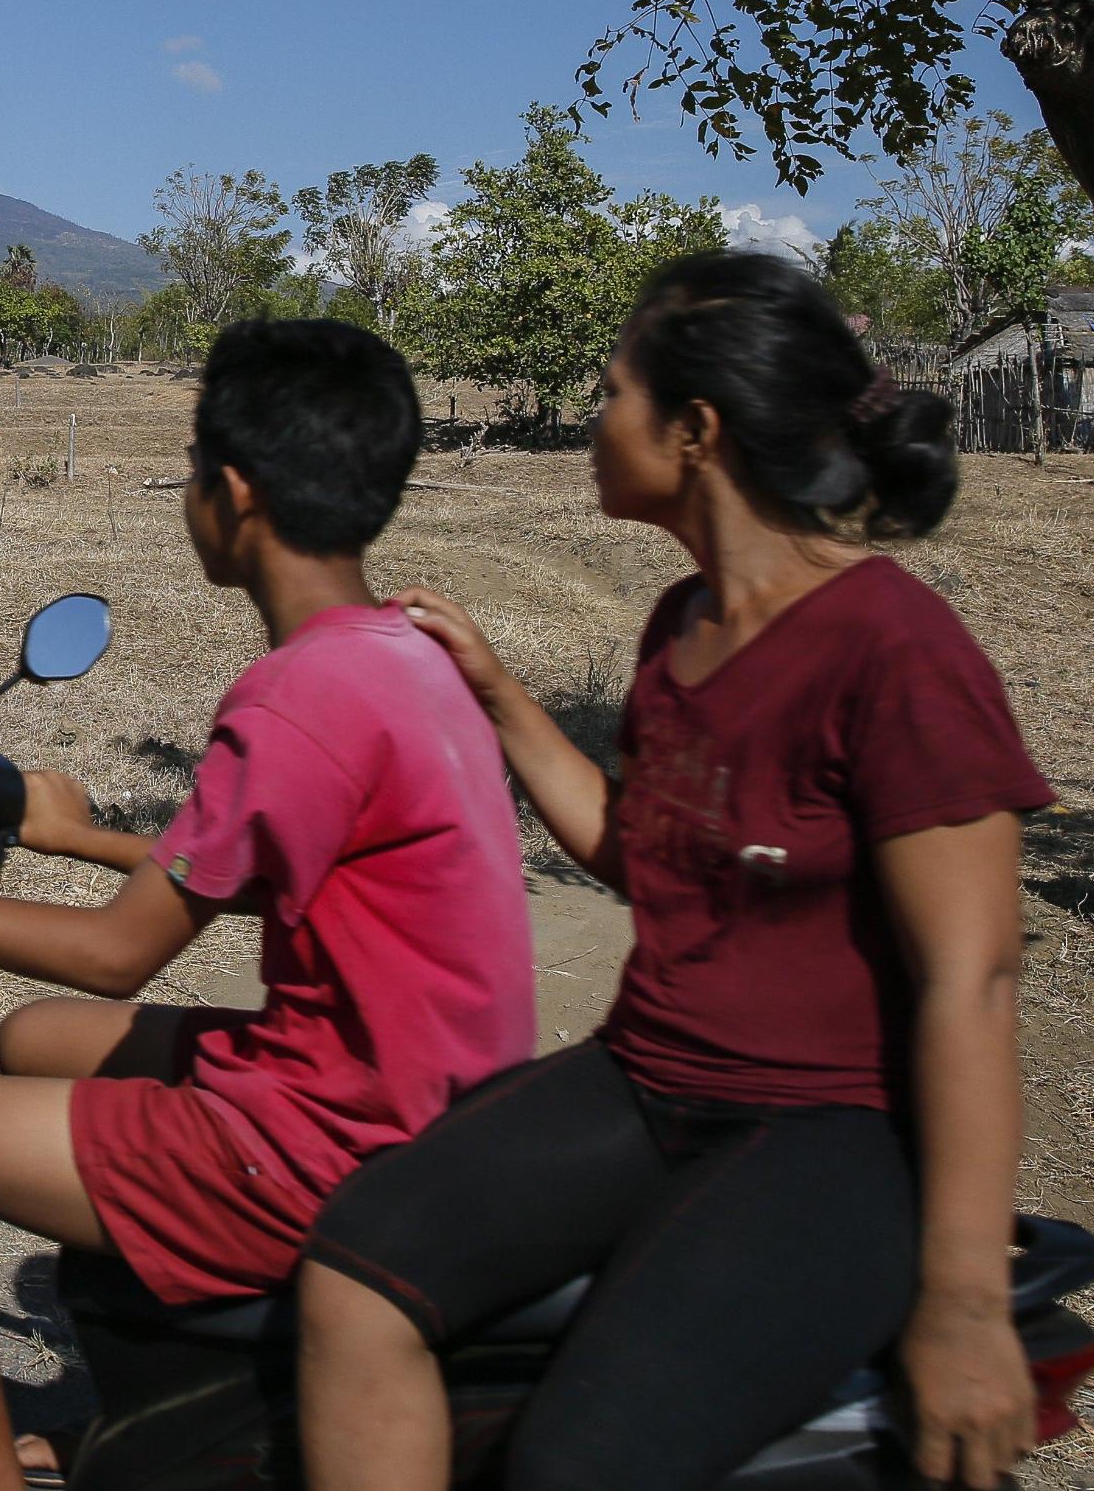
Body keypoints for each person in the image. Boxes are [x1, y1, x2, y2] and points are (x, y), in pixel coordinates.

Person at [0, 319, 537, 1491]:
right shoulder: (404, 656)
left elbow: (113, 956)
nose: (191, 496)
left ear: (235, 493)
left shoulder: (294, 695)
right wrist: (84, 833)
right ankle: (155, 1404)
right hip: (429, 1097)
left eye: (196, 471)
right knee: (29, 1041)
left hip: (329, 1139)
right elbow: (287, 869)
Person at [294, 251, 1055, 1491]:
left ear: (695, 430)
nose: (595, 421)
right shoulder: (680, 624)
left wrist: (963, 1298)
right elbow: (639, 852)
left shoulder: (896, 648)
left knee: (581, 1464)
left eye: (612, 393)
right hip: (646, 1080)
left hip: (829, 1134)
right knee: (353, 1274)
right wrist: (496, 693)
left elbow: (971, 979)